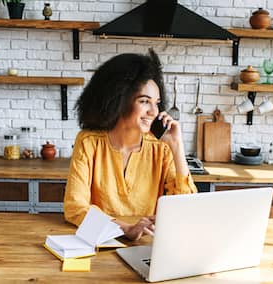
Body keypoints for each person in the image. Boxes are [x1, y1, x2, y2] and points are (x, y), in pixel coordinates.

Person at [64, 49, 197, 241]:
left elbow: (187, 210)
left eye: (156, 103)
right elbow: (75, 208)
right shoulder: (88, 142)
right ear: (119, 100)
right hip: (100, 241)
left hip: (148, 244)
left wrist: (177, 146)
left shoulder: (161, 147)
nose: (153, 111)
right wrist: (125, 229)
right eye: (144, 101)